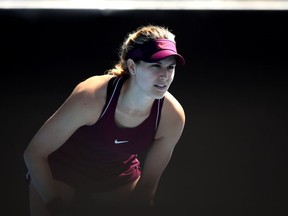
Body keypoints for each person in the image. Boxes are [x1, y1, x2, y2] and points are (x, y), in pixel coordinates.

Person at [23, 24, 186, 216]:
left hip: (116, 174)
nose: (165, 75)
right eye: (156, 65)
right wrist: (55, 206)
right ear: (132, 66)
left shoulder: (172, 116)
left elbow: (147, 187)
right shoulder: (91, 97)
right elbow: (33, 154)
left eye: (170, 67)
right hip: (63, 167)